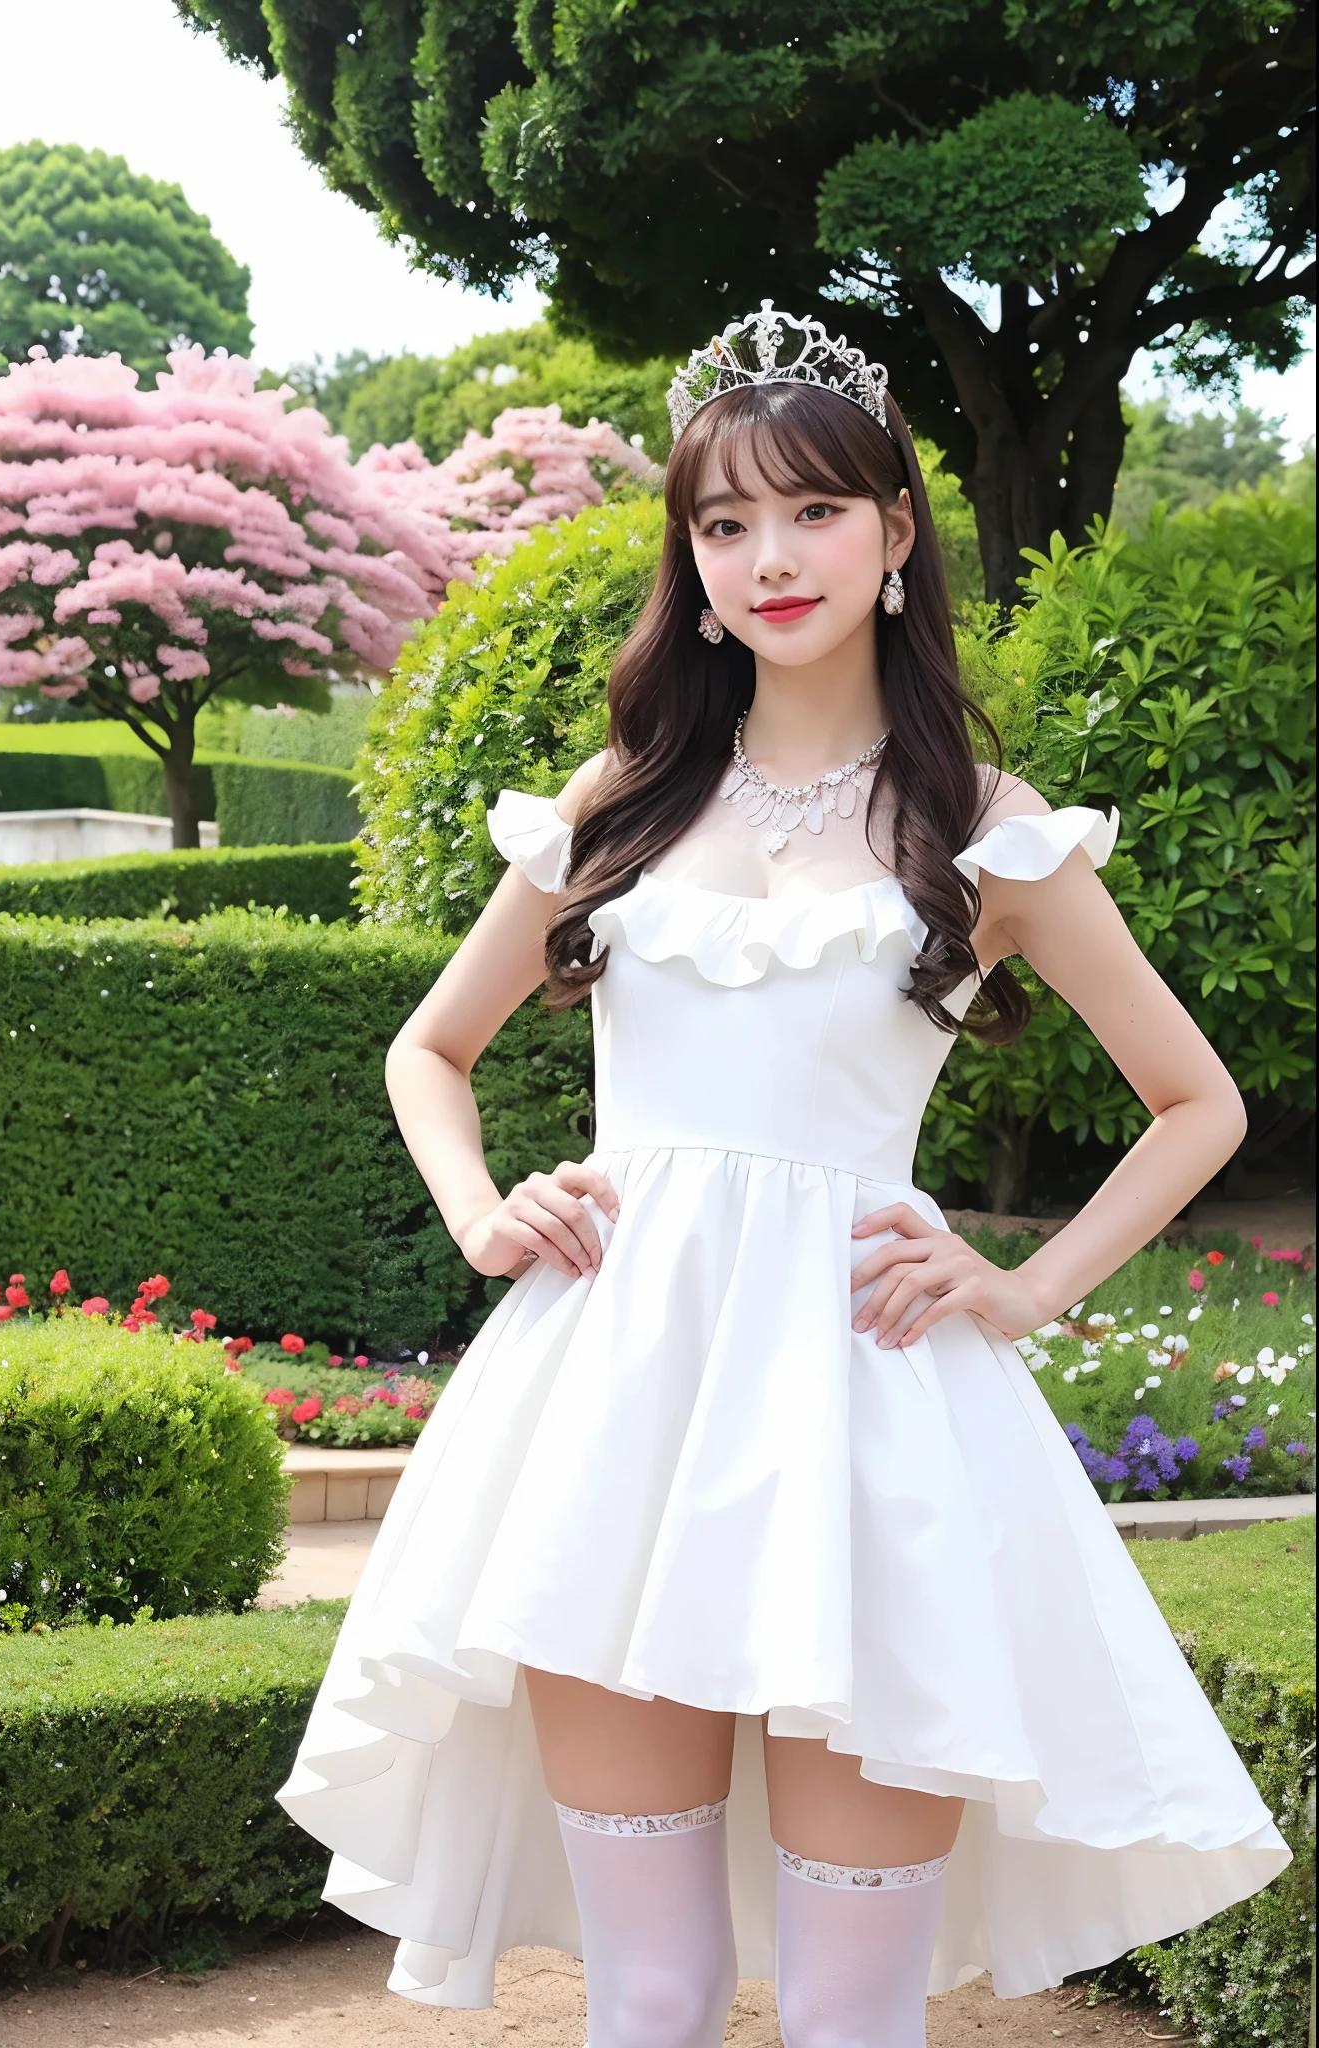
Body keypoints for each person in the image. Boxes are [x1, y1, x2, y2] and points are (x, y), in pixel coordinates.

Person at [277, 305, 1289, 2041]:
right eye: (724, 522)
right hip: (612, 1415)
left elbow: (1198, 1101)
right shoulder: (625, 797)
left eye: (814, 511)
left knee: (846, 2011)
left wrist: (1027, 1286)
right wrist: (483, 1209)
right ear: (690, 556)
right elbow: (427, 1048)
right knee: (649, 1991)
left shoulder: (982, 819)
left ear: (896, 535)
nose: (769, 556)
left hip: (866, 1424)